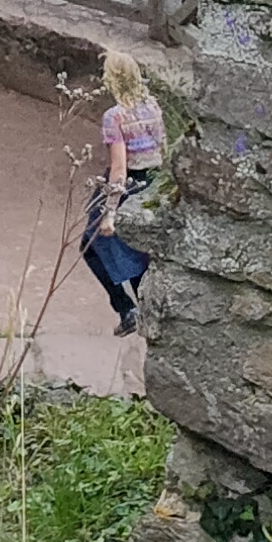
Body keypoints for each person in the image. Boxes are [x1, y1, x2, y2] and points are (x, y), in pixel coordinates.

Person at [83, 46, 165, 335]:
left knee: (92, 244)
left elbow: (119, 168)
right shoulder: (153, 107)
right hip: (152, 182)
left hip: (127, 184)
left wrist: (110, 212)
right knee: (138, 251)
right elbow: (163, 147)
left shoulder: (114, 117)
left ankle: (127, 309)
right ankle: (147, 312)